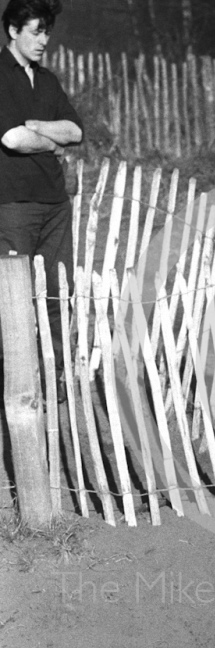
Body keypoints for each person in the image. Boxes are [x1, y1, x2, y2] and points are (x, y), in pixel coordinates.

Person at [0, 0, 83, 396]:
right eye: (35, 31)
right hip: (13, 204)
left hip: (55, 203)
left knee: (55, 293)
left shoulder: (48, 80)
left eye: (47, 32)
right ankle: (15, 386)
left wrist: (38, 128)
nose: (43, 40)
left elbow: (76, 131)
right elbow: (12, 139)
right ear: (13, 31)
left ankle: (55, 382)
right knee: (12, 299)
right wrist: (51, 141)